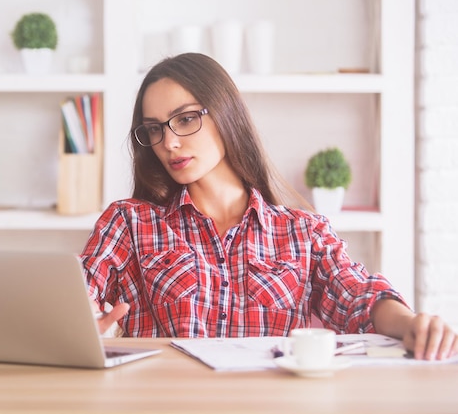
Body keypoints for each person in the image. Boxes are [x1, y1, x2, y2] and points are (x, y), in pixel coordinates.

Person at [80, 53, 457, 361]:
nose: (170, 143)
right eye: (155, 129)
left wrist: (411, 325)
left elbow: (356, 295)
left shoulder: (302, 232)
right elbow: (78, 291)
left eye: (186, 119)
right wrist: (80, 323)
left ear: (225, 112)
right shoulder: (129, 222)